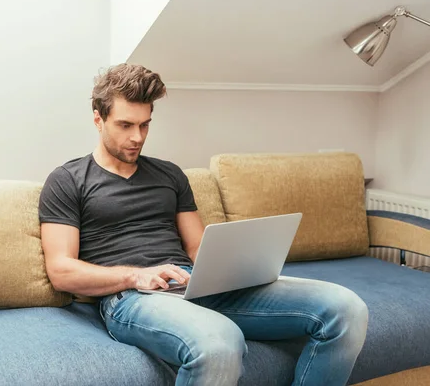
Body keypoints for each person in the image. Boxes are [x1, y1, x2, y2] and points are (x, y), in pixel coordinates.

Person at [38, 63, 369, 386]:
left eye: (145, 125)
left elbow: (197, 246)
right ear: (98, 119)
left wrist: (237, 271)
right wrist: (135, 275)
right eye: (125, 125)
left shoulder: (169, 174)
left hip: (193, 285)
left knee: (346, 309)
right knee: (220, 344)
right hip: (130, 297)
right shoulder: (68, 181)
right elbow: (61, 270)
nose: (137, 137)